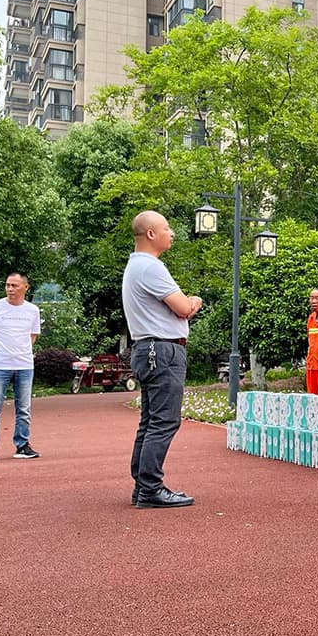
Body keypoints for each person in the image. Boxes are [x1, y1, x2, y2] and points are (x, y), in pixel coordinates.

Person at [124, 211, 202, 509]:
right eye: (167, 228)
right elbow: (182, 307)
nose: (172, 233)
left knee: (150, 421)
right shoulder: (151, 267)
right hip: (163, 350)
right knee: (164, 422)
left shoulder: (135, 266)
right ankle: (150, 489)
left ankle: (143, 486)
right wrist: (194, 301)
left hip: (148, 349)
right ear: (151, 234)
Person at [0, 273, 42, 463]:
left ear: (25, 287)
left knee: (24, 408)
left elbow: (32, 336)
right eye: (7, 285)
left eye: (14, 285)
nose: (10, 289)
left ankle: (22, 445)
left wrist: (20, 352)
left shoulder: (32, 310)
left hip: (24, 365)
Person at [304, 289, 318, 395]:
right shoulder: (311, 318)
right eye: (311, 298)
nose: (313, 301)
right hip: (311, 366)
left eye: (317, 298)